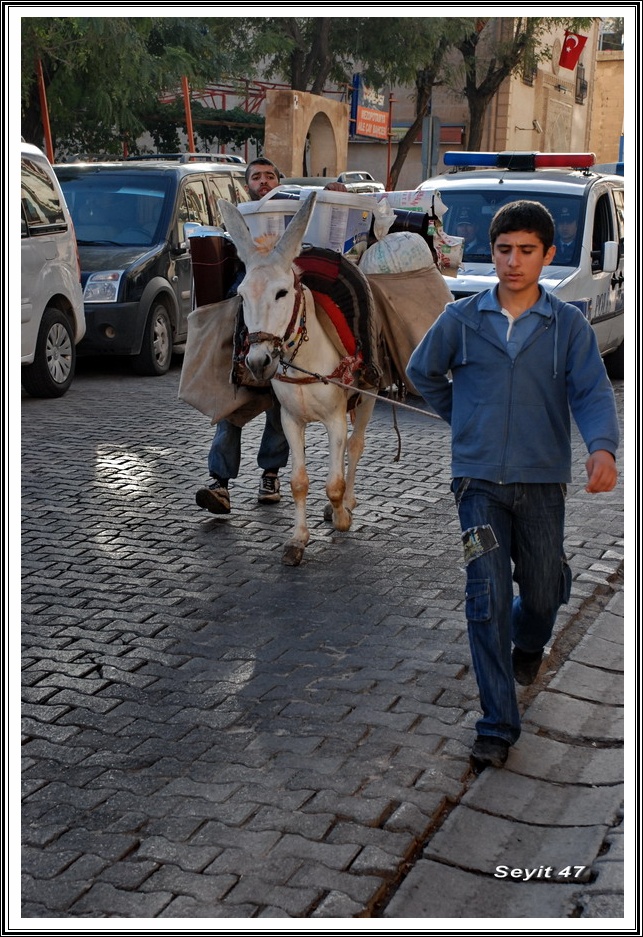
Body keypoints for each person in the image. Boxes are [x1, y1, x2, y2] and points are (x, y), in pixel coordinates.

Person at [406, 200, 619, 773]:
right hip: (477, 487)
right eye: (504, 250)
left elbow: (593, 393)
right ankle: (497, 724)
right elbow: (422, 370)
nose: (513, 262)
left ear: (548, 256)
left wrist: (602, 448)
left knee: (544, 592)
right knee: (488, 595)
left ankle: (531, 642)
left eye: (527, 251)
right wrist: (464, 419)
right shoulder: (462, 319)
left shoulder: (566, 326)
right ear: (492, 252)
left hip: (544, 484)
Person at [196, 157, 347, 516]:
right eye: (256, 177)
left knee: (283, 407)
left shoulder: (292, 207)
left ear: (279, 181)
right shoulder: (245, 220)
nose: (263, 182)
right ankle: (220, 482)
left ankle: (270, 474)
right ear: (247, 185)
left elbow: (318, 215)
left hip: (284, 319)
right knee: (231, 406)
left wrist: (332, 193)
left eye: (269, 176)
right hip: (252, 314)